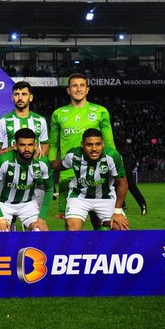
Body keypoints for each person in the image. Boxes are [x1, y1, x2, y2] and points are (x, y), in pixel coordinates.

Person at [49, 73, 115, 221]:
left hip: (96, 173)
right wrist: (50, 169)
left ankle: (103, 245)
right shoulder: (58, 114)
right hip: (68, 174)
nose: (78, 89)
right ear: (68, 90)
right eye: (74, 86)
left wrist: (114, 168)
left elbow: (109, 144)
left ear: (87, 89)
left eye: (82, 85)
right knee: (70, 223)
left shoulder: (100, 112)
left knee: (100, 222)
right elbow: (53, 145)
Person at [52, 129, 129, 231]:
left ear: (103, 144)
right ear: (82, 145)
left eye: (98, 144)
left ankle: (100, 221)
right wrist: (44, 162)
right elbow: (59, 165)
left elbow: (122, 183)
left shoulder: (112, 156)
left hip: (105, 197)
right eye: (89, 145)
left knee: (121, 228)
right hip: (79, 197)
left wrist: (118, 212)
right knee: (72, 229)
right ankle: (97, 223)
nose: (94, 148)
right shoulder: (74, 155)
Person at [0, 128, 53, 232]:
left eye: (30, 145)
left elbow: (49, 189)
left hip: (28, 204)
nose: (27, 149)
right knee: (2, 232)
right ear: (16, 146)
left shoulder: (43, 162)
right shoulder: (4, 161)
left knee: (40, 231)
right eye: (22, 145)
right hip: (4, 204)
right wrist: (0, 217)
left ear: (35, 145)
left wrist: (41, 218)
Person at [0, 81, 49, 157]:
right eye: (16, 94)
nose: (20, 98)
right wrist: (12, 148)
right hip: (10, 168)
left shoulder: (40, 121)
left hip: (33, 168)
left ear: (30, 97)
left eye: (24, 94)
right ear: (12, 98)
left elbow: (45, 147)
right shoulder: (3, 121)